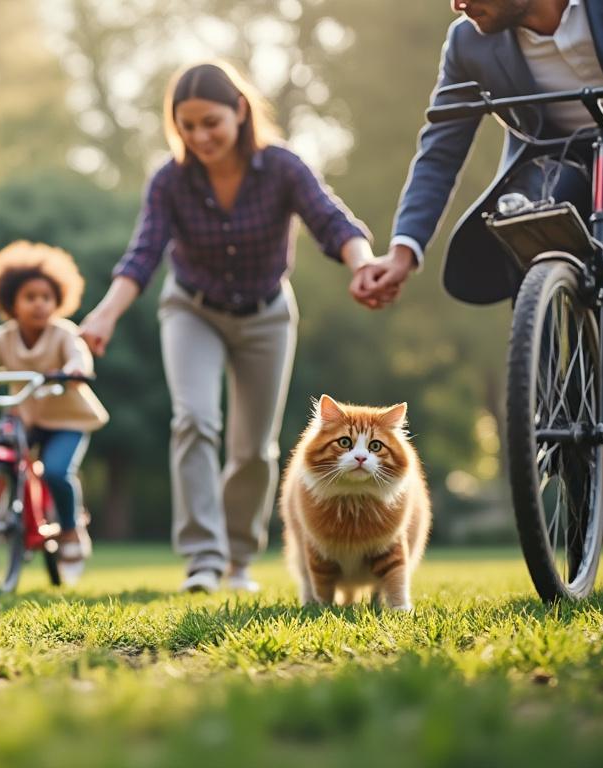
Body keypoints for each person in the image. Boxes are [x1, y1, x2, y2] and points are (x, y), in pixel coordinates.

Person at [78, 61, 379, 594]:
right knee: (194, 420)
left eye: (210, 122)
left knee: (253, 445)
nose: (199, 136)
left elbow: (331, 221)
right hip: (192, 310)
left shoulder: (282, 167)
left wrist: (363, 265)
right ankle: (203, 559)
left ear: (240, 111)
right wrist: (104, 313)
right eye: (186, 125)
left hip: (266, 315)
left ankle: (239, 560)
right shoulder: (171, 180)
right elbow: (143, 254)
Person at [357, 0, 603, 542]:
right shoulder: (468, 41)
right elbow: (441, 147)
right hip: (558, 169)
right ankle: (563, 413)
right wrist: (403, 251)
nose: (458, 3)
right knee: (530, 218)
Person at [0, 241, 110, 585]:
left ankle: (70, 529)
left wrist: (76, 369)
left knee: (58, 471)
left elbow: (78, 353)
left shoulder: (62, 334)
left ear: (57, 301)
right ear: (10, 303)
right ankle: (11, 494)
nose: (39, 304)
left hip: (67, 419)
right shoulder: (2, 338)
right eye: (29, 297)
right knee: (2, 439)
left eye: (46, 297)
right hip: (26, 416)